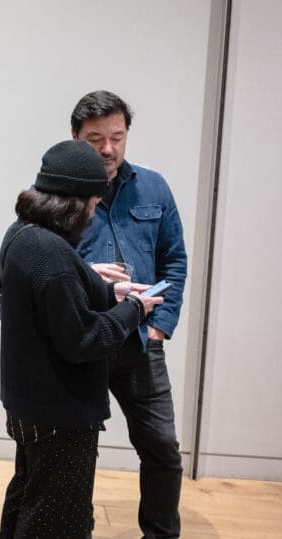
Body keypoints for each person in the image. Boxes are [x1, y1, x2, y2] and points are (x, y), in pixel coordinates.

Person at [0, 139, 161, 539]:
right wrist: (134, 309)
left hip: (29, 404)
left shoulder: (21, 235)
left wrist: (106, 291)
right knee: (58, 521)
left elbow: (56, 300)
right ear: (74, 203)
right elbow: (85, 340)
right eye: (92, 203)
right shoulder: (50, 253)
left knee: (28, 496)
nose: (93, 212)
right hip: (59, 412)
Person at [71, 90, 187, 538]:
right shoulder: (60, 192)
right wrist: (89, 276)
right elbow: (43, 262)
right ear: (76, 138)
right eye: (95, 138)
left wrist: (160, 327)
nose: (108, 148)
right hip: (83, 342)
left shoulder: (153, 187)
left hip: (140, 342)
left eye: (117, 137)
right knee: (77, 450)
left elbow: (173, 260)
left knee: (163, 449)